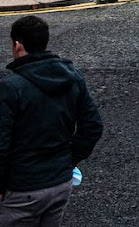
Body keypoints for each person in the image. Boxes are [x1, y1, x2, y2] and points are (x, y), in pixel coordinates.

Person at [0, 15, 103, 224]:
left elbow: (0, 144)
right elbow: (92, 126)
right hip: (60, 184)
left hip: (22, 190)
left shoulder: (10, 88)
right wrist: (67, 160)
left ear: (18, 46)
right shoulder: (72, 77)